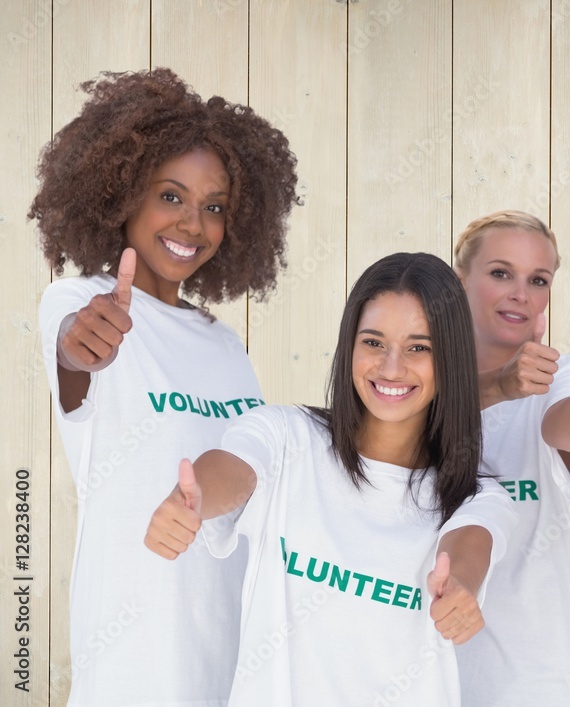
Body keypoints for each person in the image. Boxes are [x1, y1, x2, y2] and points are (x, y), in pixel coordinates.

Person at [33, 68, 299, 706]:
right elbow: (75, 355)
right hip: (134, 670)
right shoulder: (80, 301)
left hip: (230, 664)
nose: (193, 225)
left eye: (214, 207)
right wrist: (82, 341)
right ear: (121, 193)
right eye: (171, 196)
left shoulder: (225, 346)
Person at [145, 252, 517, 706]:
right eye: (374, 342)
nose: (391, 367)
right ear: (349, 345)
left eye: (419, 347)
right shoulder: (287, 436)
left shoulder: (478, 496)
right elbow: (236, 466)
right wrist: (197, 499)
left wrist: (459, 586)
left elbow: (468, 544)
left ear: (451, 358)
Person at [452, 211, 570, 706]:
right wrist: (498, 385)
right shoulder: (413, 393)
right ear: (459, 280)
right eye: (500, 273)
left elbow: (564, 423)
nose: (520, 293)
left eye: (538, 280)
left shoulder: (568, 374)